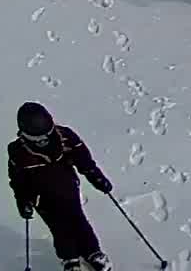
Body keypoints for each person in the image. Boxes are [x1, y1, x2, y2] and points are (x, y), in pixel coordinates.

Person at [9, 101, 115, 270]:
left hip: (67, 188)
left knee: (78, 220)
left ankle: (93, 252)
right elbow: (18, 181)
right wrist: (24, 201)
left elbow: (84, 160)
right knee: (59, 228)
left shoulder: (65, 136)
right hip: (42, 197)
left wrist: (96, 177)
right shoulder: (18, 151)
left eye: (44, 125)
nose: (43, 137)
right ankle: (70, 259)